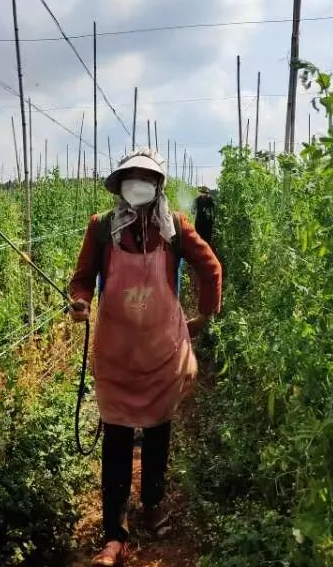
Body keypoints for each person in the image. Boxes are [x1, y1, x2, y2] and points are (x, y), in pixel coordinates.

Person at [68, 148, 222, 566]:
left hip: (161, 350)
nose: (138, 183)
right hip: (116, 350)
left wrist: (204, 316)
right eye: (130, 177)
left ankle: (152, 505)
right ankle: (114, 535)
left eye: (145, 177)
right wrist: (80, 302)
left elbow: (210, 268)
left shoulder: (173, 229)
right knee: (116, 439)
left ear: (157, 186)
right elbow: (82, 279)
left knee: (158, 431)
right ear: (120, 185)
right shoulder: (101, 229)